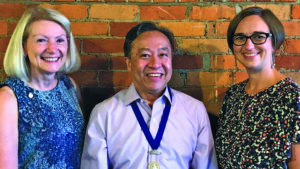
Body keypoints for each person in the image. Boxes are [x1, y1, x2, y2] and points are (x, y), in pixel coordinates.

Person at [81, 22, 218, 169]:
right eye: (145, 55)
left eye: (163, 54)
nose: (155, 63)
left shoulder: (194, 110)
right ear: (128, 63)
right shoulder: (104, 113)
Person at [215, 6, 300, 168]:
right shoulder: (233, 95)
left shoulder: (293, 98)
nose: (248, 46)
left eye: (259, 37)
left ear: (275, 42)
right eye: (240, 38)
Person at [0, 7, 85, 169]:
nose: (52, 49)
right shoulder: (8, 97)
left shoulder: (70, 86)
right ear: (24, 47)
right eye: (41, 40)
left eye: (59, 40)